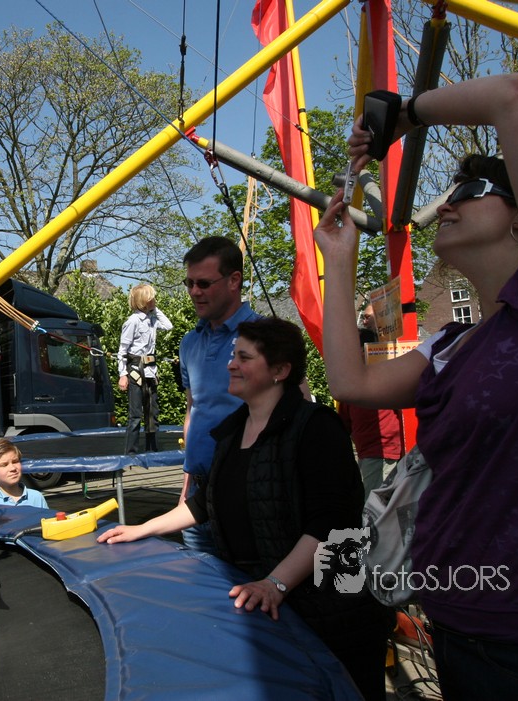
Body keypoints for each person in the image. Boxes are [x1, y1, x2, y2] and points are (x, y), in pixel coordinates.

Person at [314, 74, 518, 698]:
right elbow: (350, 380)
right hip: (459, 627)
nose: (446, 205)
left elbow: (516, 96)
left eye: (472, 192)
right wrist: (339, 259)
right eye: (448, 194)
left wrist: (404, 117)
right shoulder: (452, 343)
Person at [99, 318, 392, 700]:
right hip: (273, 612)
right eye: (233, 355)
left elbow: (332, 525)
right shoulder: (233, 431)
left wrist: (276, 583)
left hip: (332, 614)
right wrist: (142, 528)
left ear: (280, 370)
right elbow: (205, 504)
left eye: (244, 357)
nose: (231, 365)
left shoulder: (317, 428)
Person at [178, 236, 261, 553]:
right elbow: (193, 411)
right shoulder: (190, 342)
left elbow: (298, 410)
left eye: (203, 283)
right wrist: (186, 485)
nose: (194, 292)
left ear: (234, 280)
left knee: (245, 582)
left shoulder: (264, 335)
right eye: (189, 283)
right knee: (197, 582)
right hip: (197, 496)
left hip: (247, 496)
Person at [337, 329, 404, 498]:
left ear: (363, 349)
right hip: (369, 454)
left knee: (374, 505)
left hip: (383, 453)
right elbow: (344, 423)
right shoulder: (353, 381)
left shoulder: (382, 376)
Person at [117, 284, 172, 455]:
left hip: (150, 372)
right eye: (151, 298)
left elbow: (168, 326)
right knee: (135, 415)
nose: (154, 300)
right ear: (144, 300)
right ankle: (131, 453)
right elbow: (123, 350)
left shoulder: (152, 319)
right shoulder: (133, 321)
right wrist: (123, 374)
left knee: (152, 414)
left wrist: (155, 310)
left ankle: (152, 450)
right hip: (135, 372)